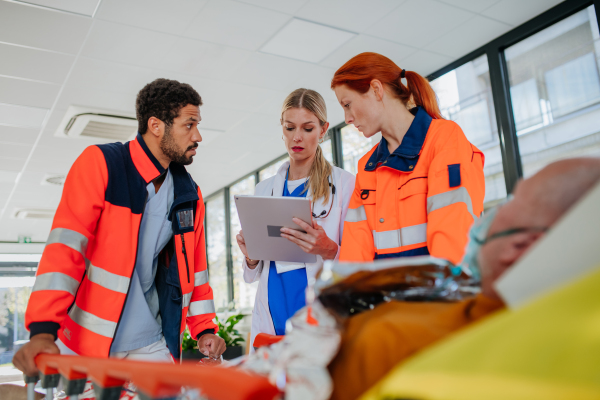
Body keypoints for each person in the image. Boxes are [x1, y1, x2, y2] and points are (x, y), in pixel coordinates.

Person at [328, 157, 600, 400]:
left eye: (512, 200)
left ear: (518, 246)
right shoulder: (572, 355)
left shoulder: (392, 338)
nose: (492, 213)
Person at [13, 79, 225, 381]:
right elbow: (66, 250)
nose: (198, 135)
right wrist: (43, 330)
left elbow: (196, 270)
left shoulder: (188, 192)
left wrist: (204, 328)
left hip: (151, 340)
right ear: (156, 125)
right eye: (189, 125)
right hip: (90, 341)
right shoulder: (101, 164)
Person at [331, 52, 485, 265]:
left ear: (376, 89)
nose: (347, 118)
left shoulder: (444, 139)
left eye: (347, 104)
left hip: (438, 292)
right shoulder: (367, 167)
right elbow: (355, 254)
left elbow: (453, 237)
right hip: (389, 296)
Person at [236, 88, 355, 347]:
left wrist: (329, 249)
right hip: (273, 312)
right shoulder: (263, 190)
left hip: (318, 311)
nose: (297, 137)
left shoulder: (345, 185)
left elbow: (359, 262)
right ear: (282, 128)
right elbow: (254, 273)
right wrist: (251, 257)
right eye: (290, 128)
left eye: (308, 128)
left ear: (323, 130)